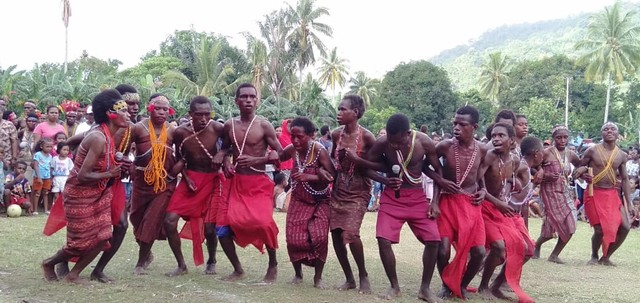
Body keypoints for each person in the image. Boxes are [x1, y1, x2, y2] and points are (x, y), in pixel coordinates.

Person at [41, 89, 130, 284]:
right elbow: (83, 175)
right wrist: (110, 173)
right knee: (79, 243)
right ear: (110, 113)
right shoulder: (98, 137)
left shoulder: (109, 134)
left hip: (99, 192)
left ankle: (73, 275)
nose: (128, 114)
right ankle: (49, 263)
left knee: (103, 238)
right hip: (79, 194)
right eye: (123, 110)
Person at [360, 113, 443, 302]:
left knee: (434, 240)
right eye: (391, 142)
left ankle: (425, 289)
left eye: (397, 142)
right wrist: (384, 180)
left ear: (407, 133)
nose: (394, 145)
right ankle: (394, 286)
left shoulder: (425, 142)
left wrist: (435, 201)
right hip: (392, 197)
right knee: (383, 239)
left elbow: (438, 170)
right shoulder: (383, 142)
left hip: (417, 196)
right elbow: (366, 167)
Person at [217, 83, 282, 283]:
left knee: (263, 223)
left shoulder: (264, 125)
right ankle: (238, 269)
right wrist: (226, 161)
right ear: (236, 100)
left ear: (257, 100)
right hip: (237, 183)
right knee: (222, 230)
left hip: (259, 183)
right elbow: (225, 149)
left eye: (252, 97)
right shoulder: (229, 125)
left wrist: (258, 160)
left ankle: (273, 264)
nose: (248, 100)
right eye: (243, 97)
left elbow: (280, 153)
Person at [163, 96, 225, 276]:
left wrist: (222, 153)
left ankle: (212, 259)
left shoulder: (218, 128)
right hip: (190, 179)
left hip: (212, 180)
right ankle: (181, 265)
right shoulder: (180, 132)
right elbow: (179, 159)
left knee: (209, 228)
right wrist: (186, 177)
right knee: (169, 221)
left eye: (207, 114)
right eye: (199, 115)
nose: (204, 118)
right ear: (191, 114)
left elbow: (230, 146)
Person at [433, 106, 489, 300]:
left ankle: (462, 285)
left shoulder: (482, 149)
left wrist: (483, 190)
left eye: (462, 124)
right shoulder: (445, 146)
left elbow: (480, 176)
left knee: (479, 252)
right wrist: (439, 183)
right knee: (443, 250)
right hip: (447, 202)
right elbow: (426, 165)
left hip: (471, 204)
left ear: (474, 126)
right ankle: (446, 284)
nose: (456, 127)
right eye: (454, 123)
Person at [477, 123, 534, 303]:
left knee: (528, 249)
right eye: (494, 136)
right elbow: (478, 186)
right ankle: (483, 286)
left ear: (511, 140)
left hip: (502, 209)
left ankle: (496, 285)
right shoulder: (488, 157)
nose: (496, 139)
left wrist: (507, 196)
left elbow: (509, 180)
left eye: (501, 136)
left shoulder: (515, 161)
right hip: (485, 208)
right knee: (499, 247)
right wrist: (498, 202)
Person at [278, 117, 335, 288]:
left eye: (300, 137)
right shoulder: (292, 149)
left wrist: (309, 176)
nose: (295, 140)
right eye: (292, 136)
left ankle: (318, 277)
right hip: (298, 199)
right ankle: (298, 274)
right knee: (294, 238)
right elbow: (278, 156)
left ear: (311, 135)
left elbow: (332, 175)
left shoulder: (319, 150)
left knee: (319, 238)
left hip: (320, 200)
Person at [329, 95, 376, 294]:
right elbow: (332, 160)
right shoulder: (335, 134)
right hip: (339, 188)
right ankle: (349, 278)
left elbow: (375, 165)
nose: (338, 113)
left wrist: (357, 160)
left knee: (351, 233)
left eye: (343, 109)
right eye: (338, 109)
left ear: (355, 113)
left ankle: (363, 274)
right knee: (336, 234)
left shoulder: (367, 137)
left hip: (359, 190)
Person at [574, 122, 636, 266]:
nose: (609, 131)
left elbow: (625, 179)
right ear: (601, 133)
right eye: (605, 129)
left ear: (617, 134)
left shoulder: (621, 154)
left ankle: (606, 257)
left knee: (625, 227)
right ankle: (594, 256)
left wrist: (629, 202)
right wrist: (583, 172)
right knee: (599, 229)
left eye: (612, 129)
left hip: (612, 194)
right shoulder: (592, 151)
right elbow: (577, 171)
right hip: (593, 192)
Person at [129, 93, 177, 275]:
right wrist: (130, 164)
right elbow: (124, 149)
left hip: (164, 184)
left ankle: (140, 263)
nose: (161, 112)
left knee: (151, 221)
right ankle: (146, 253)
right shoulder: (137, 128)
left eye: (165, 109)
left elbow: (182, 153)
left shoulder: (172, 131)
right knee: (136, 218)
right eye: (157, 108)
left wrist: (175, 171)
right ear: (150, 109)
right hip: (141, 182)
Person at [533, 125, 580, 264]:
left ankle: (554, 254)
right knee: (551, 225)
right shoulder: (546, 152)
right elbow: (531, 166)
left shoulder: (570, 154)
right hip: (549, 193)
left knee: (571, 224)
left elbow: (581, 163)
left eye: (565, 137)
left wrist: (582, 169)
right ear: (554, 138)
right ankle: (537, 245)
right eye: (559, 137)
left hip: (565, 192)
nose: (562, 140)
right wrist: (544, 174)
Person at [32, 138, 54, 214]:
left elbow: (50, 167)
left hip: (47, 177)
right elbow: (36, 166)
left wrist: (51, 177)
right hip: (39, 177)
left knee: (45, 193)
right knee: (37, 193)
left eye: (51, 147)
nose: (49, 148)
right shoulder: (38, 154)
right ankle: (35, 210)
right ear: (42, 146)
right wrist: (39, 177)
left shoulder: (50, 156)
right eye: (47, 146)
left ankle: (46, 210)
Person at [50, 142, 74, 207]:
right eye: (64, 150)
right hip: (56, 178)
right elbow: (52, 168)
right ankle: (56, 206)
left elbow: (71, 170)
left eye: (67, 150)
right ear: (59, 150)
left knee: (64, 193)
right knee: (56, 193)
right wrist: (51, 178)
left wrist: (70, 179)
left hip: (65, 178)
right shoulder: (54, 159)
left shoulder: (69, 160)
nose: (66, 152)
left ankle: (63, 206)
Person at [0, 98, 19, 170]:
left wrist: (14, 158)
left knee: (7, 179)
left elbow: (14, 141)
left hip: (7, 158)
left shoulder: (9, 124)